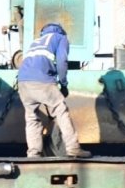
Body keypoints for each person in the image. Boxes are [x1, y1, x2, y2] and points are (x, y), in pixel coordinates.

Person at [16, 22, 91, 158]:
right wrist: (63, 84)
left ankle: (33, 153)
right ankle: (73, 148)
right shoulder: (60, 38)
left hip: (23, 81)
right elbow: (62, 61)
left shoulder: (36, 41)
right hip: (42, 80)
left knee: (32, 118)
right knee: (60, 110)